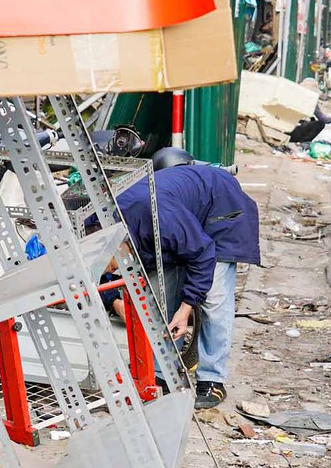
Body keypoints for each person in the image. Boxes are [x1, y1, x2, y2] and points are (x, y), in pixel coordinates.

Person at [110, 147, 261, 409]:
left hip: (220, 208)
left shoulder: (159, 219)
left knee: (214, 299)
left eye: (114, 266)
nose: (117, 270)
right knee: (160, 299)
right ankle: (163, 374)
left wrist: (187, 306)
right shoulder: (104, 225)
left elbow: (203, 253)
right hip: (179, 219)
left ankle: (212, 380)